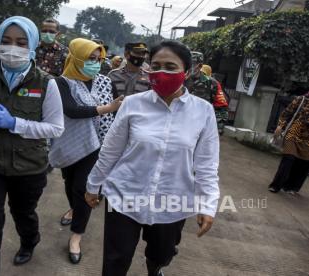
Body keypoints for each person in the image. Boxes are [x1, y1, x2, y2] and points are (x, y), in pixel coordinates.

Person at [85, 40, 220, 276]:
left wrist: (208, 204)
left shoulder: (203, 111)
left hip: (173, 202)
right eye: (156, 65)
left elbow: (207, 164)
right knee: (115, 260)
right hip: (124, 195)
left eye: (170, 67)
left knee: (162, 254)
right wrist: (93, 184)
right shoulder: (133, 104)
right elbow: (111, 149)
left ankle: (155, 268)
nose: (161, 72)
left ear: (186, 72)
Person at [0, 16, 64, 275]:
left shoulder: (46, 83)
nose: (12, 48)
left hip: (28, 167)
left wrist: (14, 123)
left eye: (21, 42)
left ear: (32, 45)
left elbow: (55, 128)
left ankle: (30, 241)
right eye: (6, 41)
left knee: (23, 214)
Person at [49, 38, 123, 264]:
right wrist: (108, 108)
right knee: (70, 184)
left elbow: (118, 109)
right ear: (76, 58)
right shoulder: (61, 83)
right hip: (69, 144)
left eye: (98, 59)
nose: (95, 64)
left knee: (83, 187)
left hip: (97, 144)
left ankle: (76, 237)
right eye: (90, 59)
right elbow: (72, 110)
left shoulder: (105, 82)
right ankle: (73, 209)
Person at [268, 92, 309, 194]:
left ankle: (291, 187)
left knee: (303, 164)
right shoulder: (301, 99)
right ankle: (276, 185)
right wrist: (280, 126)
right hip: (293, 133)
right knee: (288, 159)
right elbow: (287, 112)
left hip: (307, 140)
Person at [185, 52, 228, 134]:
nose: (188, 67)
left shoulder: (212, 83)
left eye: (192, 64)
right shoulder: (180, 80)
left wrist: (218, 130)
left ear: (200, 66)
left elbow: (221, 107)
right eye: (186, 64)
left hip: (200, 129)